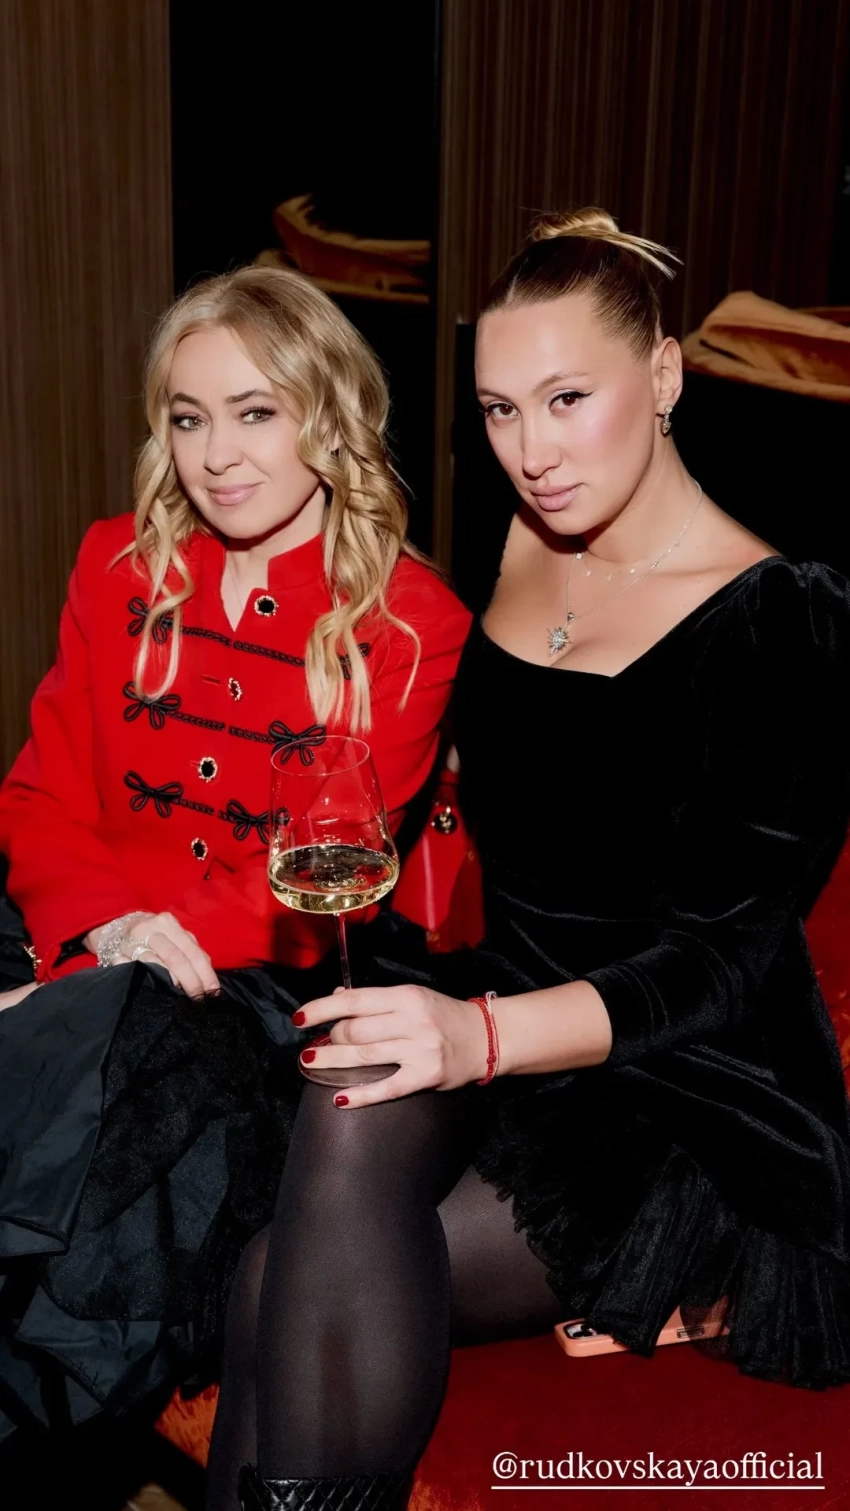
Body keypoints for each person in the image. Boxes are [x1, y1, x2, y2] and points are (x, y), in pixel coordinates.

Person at [210, 211, 850, 1511]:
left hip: (689, 1095)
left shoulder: (776, 617)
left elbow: (721, 964)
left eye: (567, 399)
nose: (531, 450)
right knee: (341, 1110)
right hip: (514, 1028)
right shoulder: (515, 534)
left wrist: (478, 1036)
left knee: (280, 1274)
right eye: (500, 409)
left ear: (662, 376)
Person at [0, 265, 470, 1449]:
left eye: (255, 412)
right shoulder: (116, 566)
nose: (216, 455)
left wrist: (80, 988)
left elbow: (304, 884)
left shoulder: (410, 623)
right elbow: (40, 796)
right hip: (82, 925)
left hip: (250, 989)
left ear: (329, 413)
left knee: (122, 1119)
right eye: (188, 416)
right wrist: (100, 932)